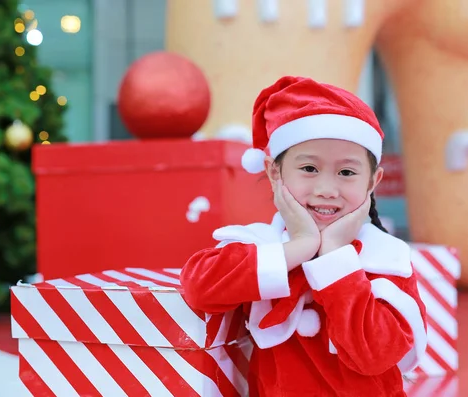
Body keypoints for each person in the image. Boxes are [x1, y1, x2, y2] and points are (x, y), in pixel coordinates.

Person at [180, 76, 427, 396]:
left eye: (347, 172)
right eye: (309, 168)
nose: (326, 190)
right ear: (274, 172)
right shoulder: (260, 244)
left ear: (372, 182)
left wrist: (336, 256)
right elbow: (200, 286)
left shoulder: (386, 258)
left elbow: (376, 355)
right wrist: (299, 247)